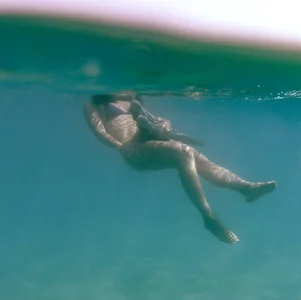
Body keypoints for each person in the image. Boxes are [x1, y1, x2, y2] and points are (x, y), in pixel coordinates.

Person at [83, 93, 277, 244]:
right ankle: (208, 217)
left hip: (151, 143)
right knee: (183, 151)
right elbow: (98, 130)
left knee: (192, 155)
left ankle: (245, 188)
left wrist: (163, 127)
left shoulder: (132, 100)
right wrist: (121, 146)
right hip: (135, 153)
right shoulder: (95, 105)